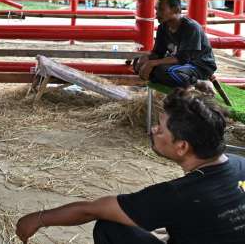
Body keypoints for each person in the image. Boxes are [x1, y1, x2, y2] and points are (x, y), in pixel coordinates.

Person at [15, 93, 245, 244]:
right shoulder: (240, 164)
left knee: (111, 226)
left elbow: (94, 209)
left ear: (182, 146)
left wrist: (39, 218)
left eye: (161, 129)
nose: (153, 130)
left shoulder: (179, 194)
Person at [133, 0, 216, 94]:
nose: (157, 14)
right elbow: (158, 53)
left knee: (163, 71)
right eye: (156, 10)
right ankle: (178, 81)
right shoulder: (163, 27)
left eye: (161, 10)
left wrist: (152, 63)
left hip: (199, 65)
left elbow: (183, 58)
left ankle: (198, 82)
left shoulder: (191, 27)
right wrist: (146, 58)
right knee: (139, 63)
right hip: (181, 64)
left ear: (176, 9)